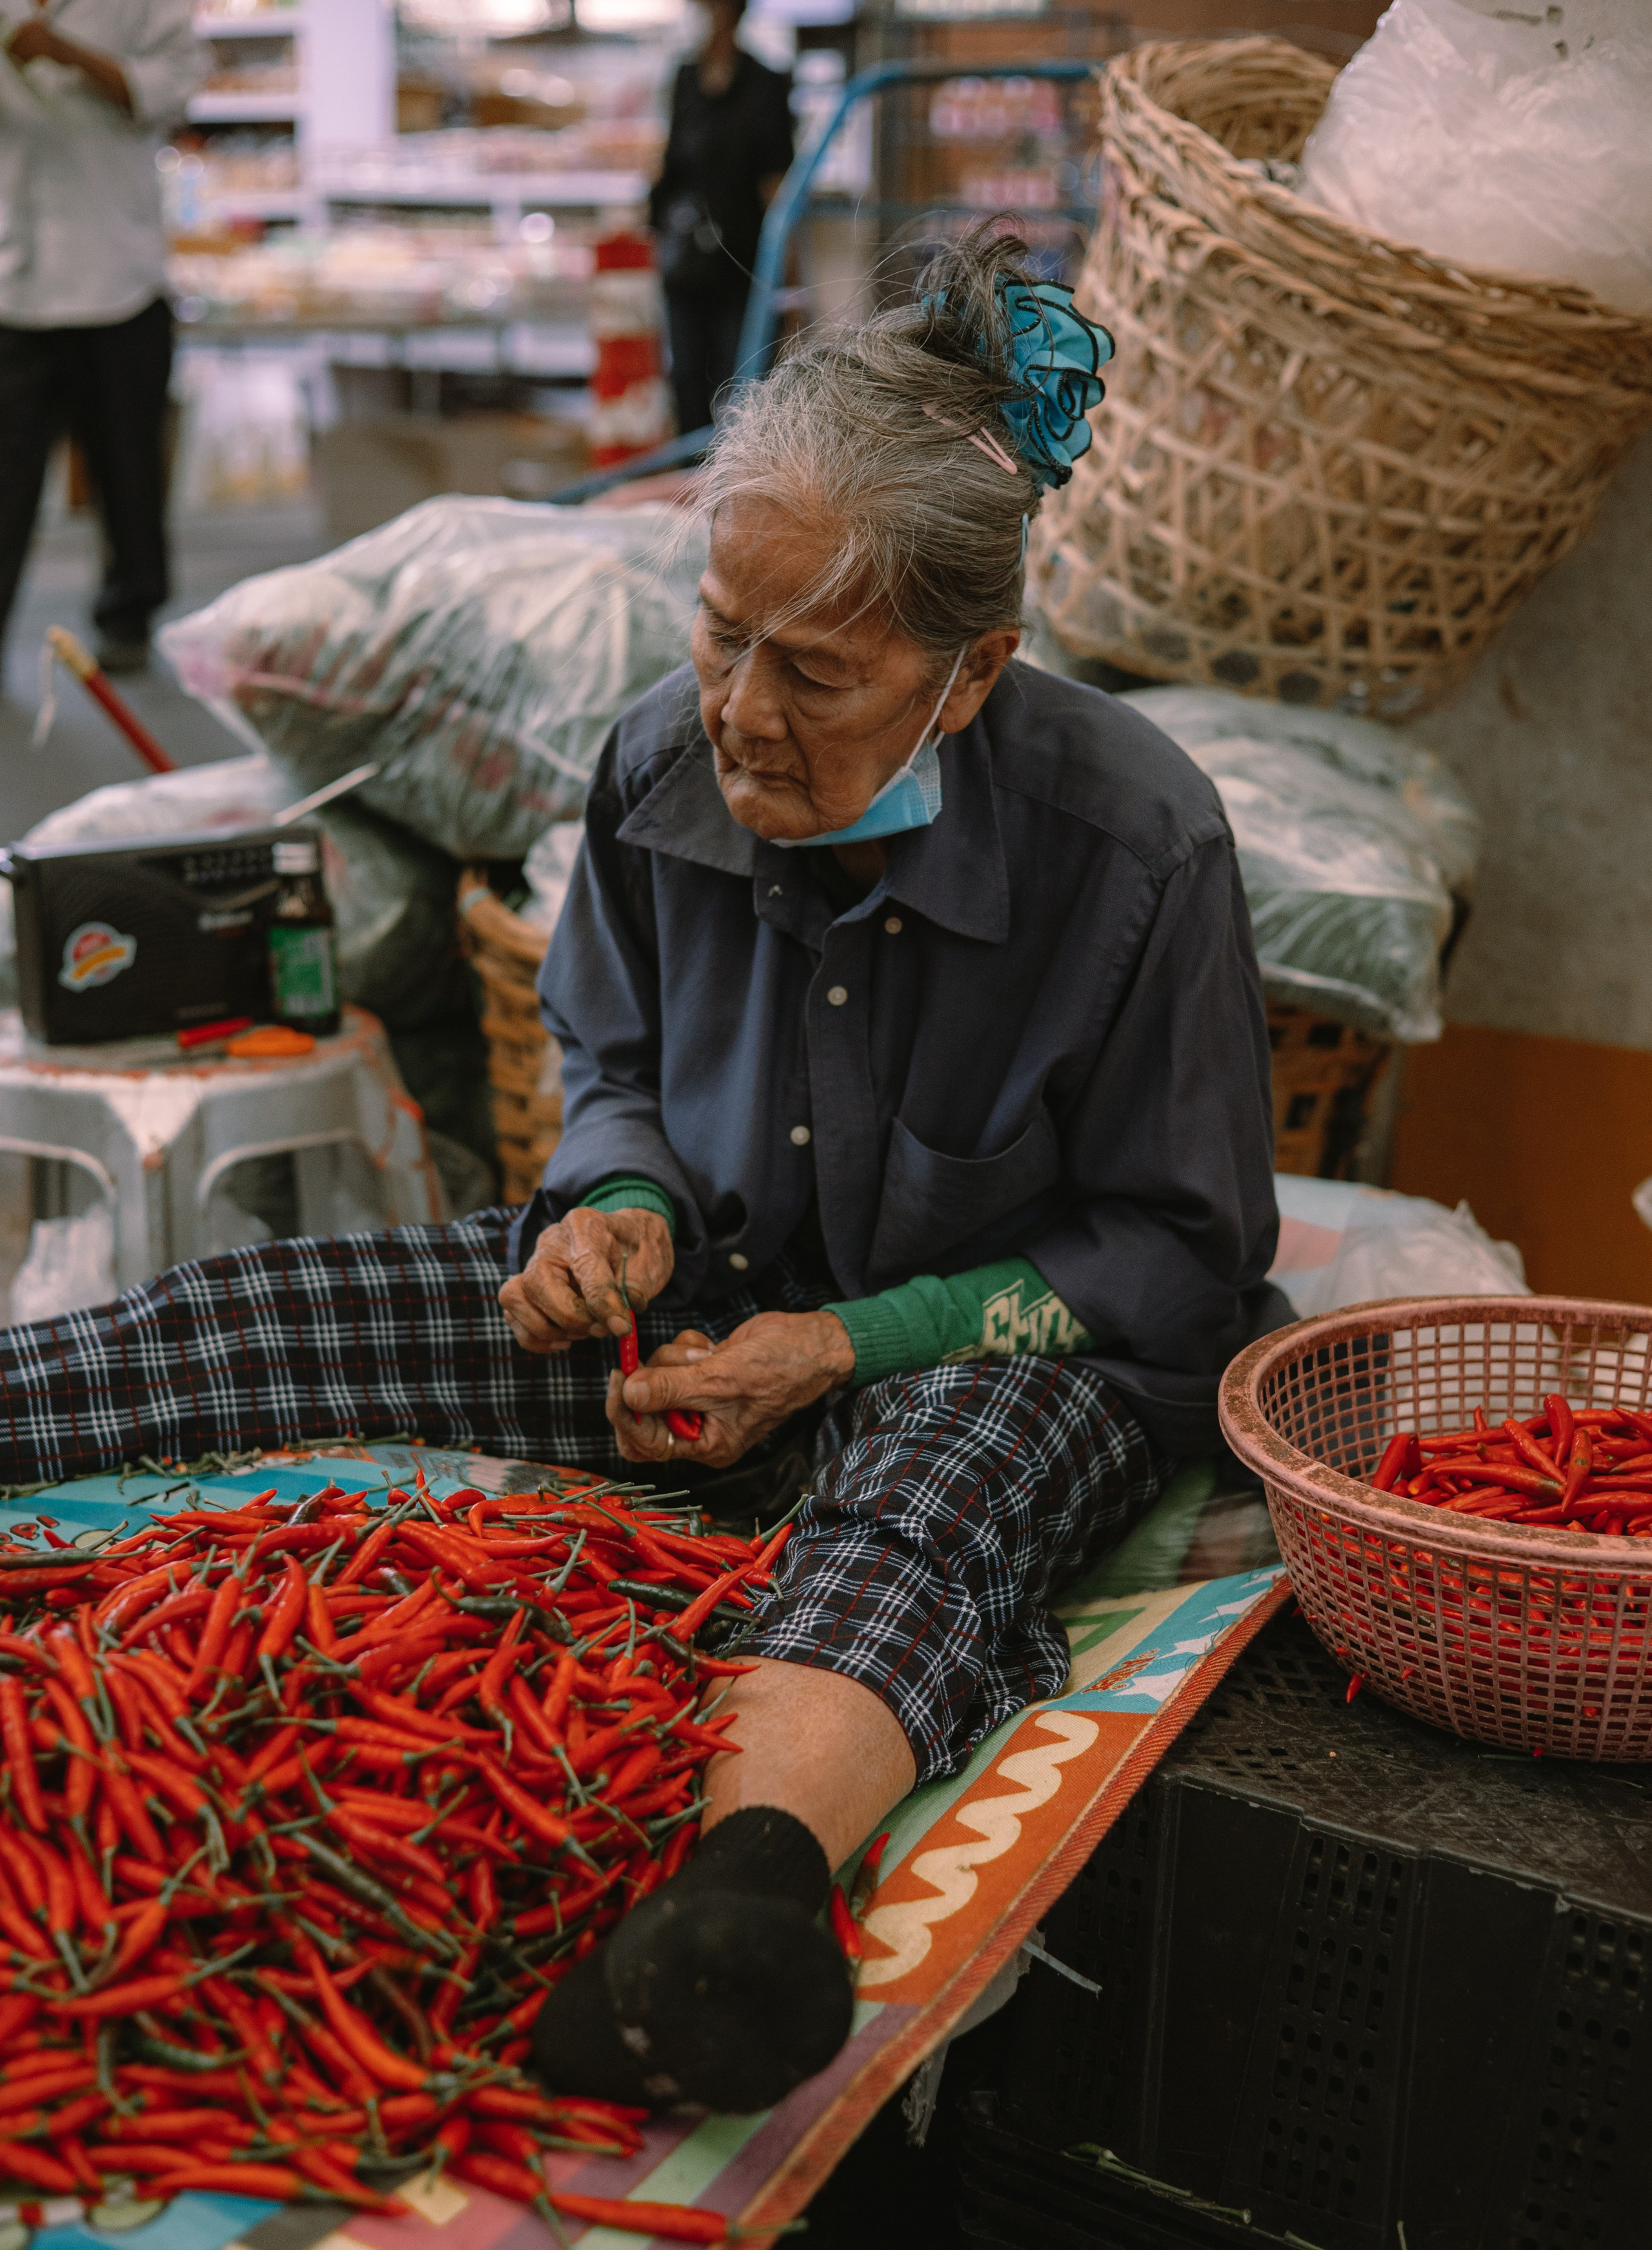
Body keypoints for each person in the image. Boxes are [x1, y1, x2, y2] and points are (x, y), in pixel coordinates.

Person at [0, 232, 1286, 2116]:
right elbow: (602, 1063)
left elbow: (1179, 1258)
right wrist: (617, 1211)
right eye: (719, 630)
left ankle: (744, 1891)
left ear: (972, 670)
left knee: (939, 1489)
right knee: (280, 1311)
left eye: (819, 671)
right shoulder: (653, 764)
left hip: (984, 1352)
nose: (741, 711)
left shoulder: (1132, 845)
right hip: (705, 1308)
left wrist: (849, 1345)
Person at [0, 1, 202, 672]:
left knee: (128, 467)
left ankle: (131, 615)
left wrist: (62, 51)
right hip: (14, 282)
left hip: (118, 273)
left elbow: (168, 93)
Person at [650, 0, 791, 436]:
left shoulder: (766, 83)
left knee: (745, 381)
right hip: (686, 258)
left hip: (742, 257)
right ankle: (688, 487)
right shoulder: (685, 79)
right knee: (688, 379)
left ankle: (733, 486)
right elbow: (671, 166)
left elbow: (776, 181)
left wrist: (788, 272)